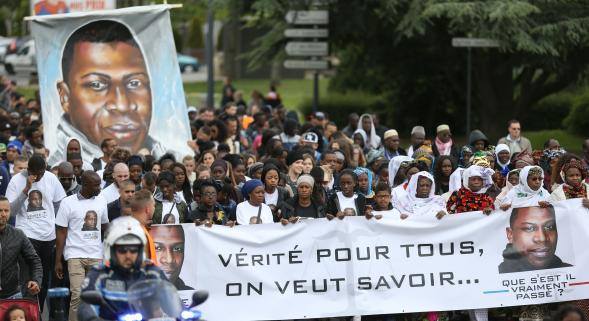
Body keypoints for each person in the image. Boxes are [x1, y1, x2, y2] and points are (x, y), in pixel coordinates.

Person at [55, 20, 165, 164]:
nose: (122, 105)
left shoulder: (171, 158)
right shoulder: (56, 172)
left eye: (134, 83)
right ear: (65, 98)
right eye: (97, 84)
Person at [6, 155, 66, 309]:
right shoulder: (16, 181)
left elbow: (60, 203)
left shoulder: (51, 178)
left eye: (42, 173)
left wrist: (56, 225)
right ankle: (29, 310)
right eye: (35, 173)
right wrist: (26, 189)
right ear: (29, 170)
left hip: (48, 236)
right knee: (28, 277)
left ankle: (37, 311)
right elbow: (11, 211)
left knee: (44, 279)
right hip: (27, 235)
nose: (39, 176)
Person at [78, 216, 167, 321]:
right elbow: (86, 306)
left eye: (133, 250)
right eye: (122, 250)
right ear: (111, 250)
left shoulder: (152, 272)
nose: (128, 255)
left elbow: (171, 302)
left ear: (140, 251)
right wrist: (92, 318)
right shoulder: (99, 274)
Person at [55, 171, 108, 321]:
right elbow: (61, 232)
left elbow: (105, 226)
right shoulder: (68, 202)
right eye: (96, 185)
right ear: (85, 185)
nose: (99, 188)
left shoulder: (101, 200)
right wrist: (58, 260)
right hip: (74, 255)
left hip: (96, 255)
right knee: (77, 295)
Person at [499, 205, 571, 273]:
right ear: (510, 234)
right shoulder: (494, 279)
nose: (542, 238)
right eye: (529, 228)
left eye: (550, 227)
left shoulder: (573, 273)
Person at [0, 196, 42, 299]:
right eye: (0, 211)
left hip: (12, 295)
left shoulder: (18, 235)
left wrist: (36, 281)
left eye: (6, 210)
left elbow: (34, 261)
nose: (3, 214)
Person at [150, 225, 193, 290]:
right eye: (157, 248)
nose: (169, 260)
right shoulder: (132, 294)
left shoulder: (191, 295)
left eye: (177, 248)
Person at [130, 190, 157, 262]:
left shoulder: (130, 227)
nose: (154, 208)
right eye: (154, 205)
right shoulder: (138, 233)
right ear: (147, 209)